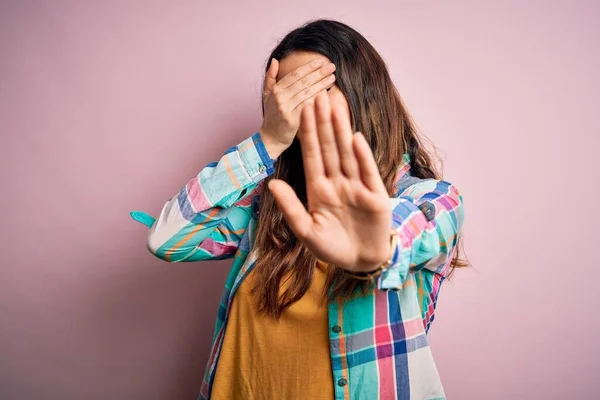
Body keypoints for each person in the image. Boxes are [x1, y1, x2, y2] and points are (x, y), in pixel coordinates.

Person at [131, 19, 465, 400]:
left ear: (364, 94)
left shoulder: (432, 198)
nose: (299, 104)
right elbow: (167, 239)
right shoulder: (268, 209)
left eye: (316, 86)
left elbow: (411, 231)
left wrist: (377, 251)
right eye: (286, 93)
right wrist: (267, 140)